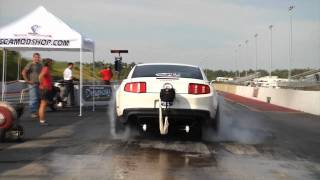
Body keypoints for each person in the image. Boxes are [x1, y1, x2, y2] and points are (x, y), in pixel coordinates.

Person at [22, 53, 42, 118]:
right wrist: (27, 81)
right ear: (33, 58)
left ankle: (37, 112)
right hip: (32, 84)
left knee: (39, 98)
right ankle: (33, 112)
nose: (37, 58)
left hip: (39, 84)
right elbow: (23, 72)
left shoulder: (40, 65)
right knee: (33, 98)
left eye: (38, 57)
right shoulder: (30, 64)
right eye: (35, 57)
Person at [38, 58, 54, 125]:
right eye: (51, 62)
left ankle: (42, 120)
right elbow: (40, 76)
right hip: (45, 89)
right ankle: (42, 121)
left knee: (43, 104)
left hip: (46, 88)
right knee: (43, 105)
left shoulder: (45, 68)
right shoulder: (46, 68)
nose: (52, 63)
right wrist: (42, 84)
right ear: (48, 63)